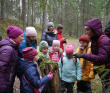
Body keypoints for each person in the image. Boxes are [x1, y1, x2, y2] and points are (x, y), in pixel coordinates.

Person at [73, 18, 110, 92]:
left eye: (88, 30)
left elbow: (102, 58)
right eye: (86, 30)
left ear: (94, 29)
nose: (86, 32)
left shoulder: (104, 40)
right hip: (103, 71)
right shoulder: (94, 39)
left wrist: (84, 55)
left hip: (107, 70)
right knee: (105, 87)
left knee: (107, 88)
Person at [0, 26, 24, 93]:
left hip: (8, 84)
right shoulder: (8, 49)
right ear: (15, 36)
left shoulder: (13, 47)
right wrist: (2, 88)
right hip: (4, 86)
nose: (23, 39)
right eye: (21, 36)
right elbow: (1, 70)